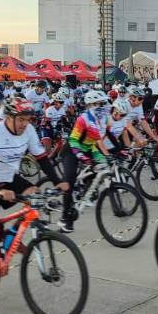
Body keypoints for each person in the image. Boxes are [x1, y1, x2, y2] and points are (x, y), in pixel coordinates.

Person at [0, 97, 64, 308]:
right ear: (9, 117)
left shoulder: (28, 131)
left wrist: (58, 181)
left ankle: (10, 241)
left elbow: (42, 158)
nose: (24, 124)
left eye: (27, 119)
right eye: (21, 119)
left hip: (8, 177)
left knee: (34, 195)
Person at [60, 90, 112, 232]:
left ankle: (84, 187)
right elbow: (73, 140)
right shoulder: (83, 118)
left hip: (89, 148)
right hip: (72, 149)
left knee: (102, 167)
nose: (104, 106)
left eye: (104, 103)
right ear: (91, 105)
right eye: (101, 104)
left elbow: (98, 140)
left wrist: (107, 155)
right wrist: (82, 157)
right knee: (69, 182)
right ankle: (65, 218)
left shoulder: (103, 119)